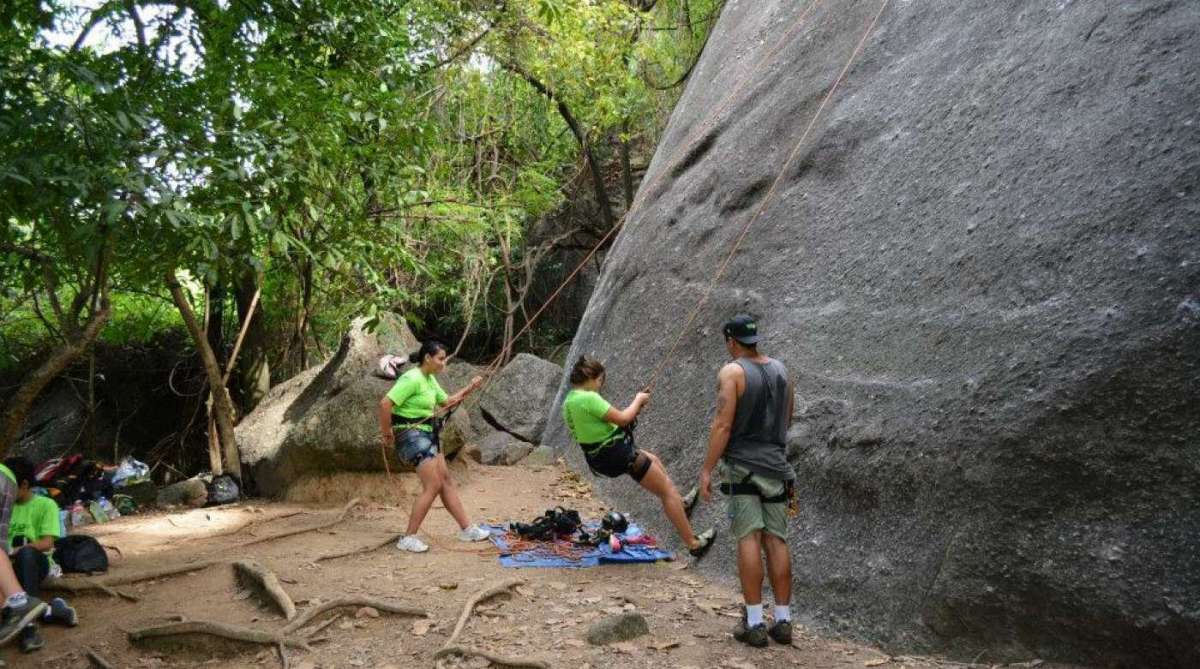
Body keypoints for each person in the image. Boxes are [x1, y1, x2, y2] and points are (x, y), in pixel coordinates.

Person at [698, 314, 795, 647]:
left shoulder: (732, 372)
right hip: (777, 466)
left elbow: (722, 425)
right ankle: (783, 620)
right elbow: (788, 417)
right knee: (777, 540)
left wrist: (707, 469)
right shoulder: (782, 370)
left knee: (749, 538)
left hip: (743, 466)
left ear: (731, 341)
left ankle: (754, 623)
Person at [562, 356, 715, 558]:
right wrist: (638, 400)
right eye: (600, 381)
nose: (600, 386)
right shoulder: (589, 398)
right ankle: (693, 543)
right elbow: (624, 417)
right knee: (665, 491)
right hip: (618, 454)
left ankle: (681, 503)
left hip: (601, 457)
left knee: (653, 460)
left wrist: (625, 420)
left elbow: (592, 429)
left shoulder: (569, 402)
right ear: (591, 377)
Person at [379, 340, 490, 553]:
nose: (443, 363)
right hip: (412, 435)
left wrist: (470, 387)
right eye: (440, 358)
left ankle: (467, 529)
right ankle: (408, 537)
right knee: (433, 484)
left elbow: (446, 402)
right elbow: (385, 403)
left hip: (428, 434)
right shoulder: (412, 378)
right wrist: (387, 433)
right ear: (427, 358)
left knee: (445, 481)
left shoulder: (429, 379)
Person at [2, 457, 78, 653]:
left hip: (36, 563)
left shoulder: (45, 504)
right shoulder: (7, 505)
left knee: (27, 552)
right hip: (8, 568)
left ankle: (29, 628)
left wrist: (15, 551)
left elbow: (47, 543)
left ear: (25, 484)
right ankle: (52, 610)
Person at [0, 460, 49, 649]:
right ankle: (18, 602)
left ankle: (19, 601)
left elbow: (48, 542)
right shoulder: (9, 483)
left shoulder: (44, 504)